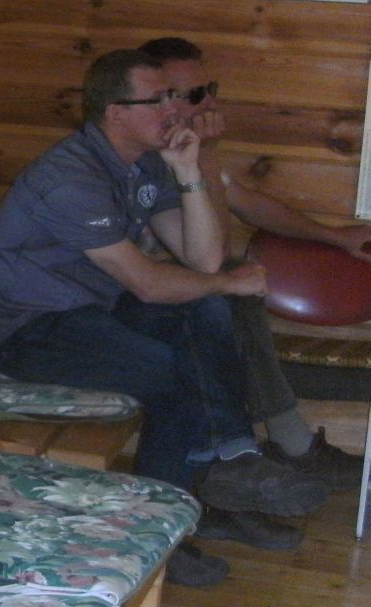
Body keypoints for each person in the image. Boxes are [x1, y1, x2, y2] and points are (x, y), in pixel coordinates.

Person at [0, 49, 329, 587]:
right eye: (157, 100)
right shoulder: (71, 176)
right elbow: (148, 282)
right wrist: (227, 281)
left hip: (96, 308)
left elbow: (202, 260)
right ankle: (158, 535)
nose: (174, 109)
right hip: (32, 330)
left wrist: (188, 171)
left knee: (207, 313)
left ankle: (224, 468)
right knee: (173, 371)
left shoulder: (147, 162)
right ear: (115, 113)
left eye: (172, 96)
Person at [139, 36, 364, 497]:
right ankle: (282, 448)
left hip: (178, 301)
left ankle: (267, 455)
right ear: (160, 100)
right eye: (196, 94)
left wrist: (336, 236)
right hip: (133, 304)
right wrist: (208, 154)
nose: (211, 103)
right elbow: (212, 256)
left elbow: (248, 203)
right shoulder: (151, 158)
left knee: (231, 293)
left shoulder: (184, 146)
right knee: (228, 289)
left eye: (211, 89)